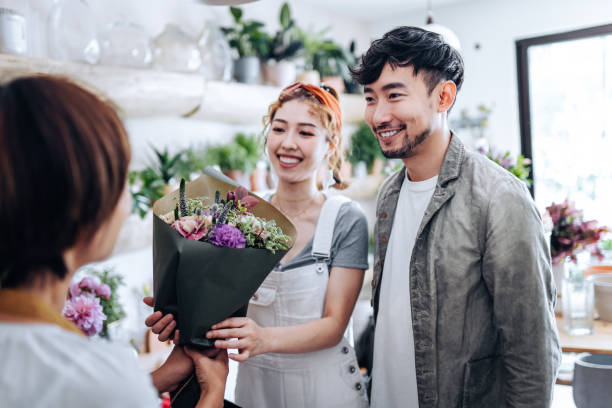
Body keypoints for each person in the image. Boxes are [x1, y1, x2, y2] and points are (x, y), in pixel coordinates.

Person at [349, 27, 561, 407]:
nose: (379, 115)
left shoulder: (499, 198)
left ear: (443, 96)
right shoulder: (389, 196)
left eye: (394, 95)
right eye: (370, 98)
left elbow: (533, 353)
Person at [0, 75, 228, 408]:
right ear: (84, 205)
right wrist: (213, 393)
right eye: (123, 179)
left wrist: (161, 376)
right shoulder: (93, 377)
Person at [145, 82, 370, 408]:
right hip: (255, 394)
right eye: (279, 129)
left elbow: (334, 325)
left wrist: (263, 338)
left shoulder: (345, 218)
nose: (288, 143)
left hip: (327, 393)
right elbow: (218, 301)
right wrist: (180, 313)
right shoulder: (239, 211)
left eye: (306, 133)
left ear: (330, 145)